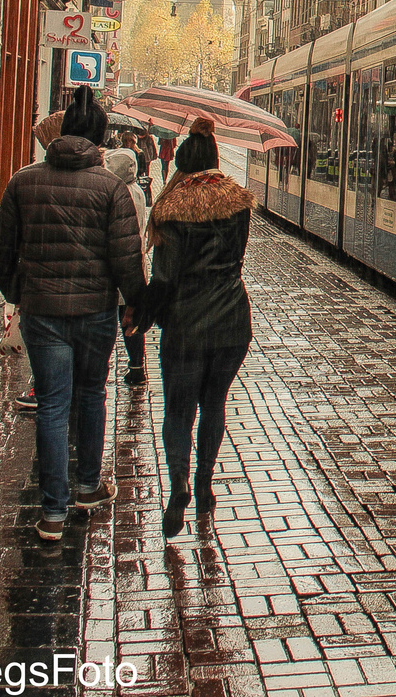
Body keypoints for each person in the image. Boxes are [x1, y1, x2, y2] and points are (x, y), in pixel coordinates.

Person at [0, 86, 146, 541]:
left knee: (53, 405)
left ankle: (52, 512)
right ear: (99, 140)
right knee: (91, 394)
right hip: (96, 313)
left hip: (42, 312)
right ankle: (87, 486)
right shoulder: (112, 188)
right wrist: (136, 305)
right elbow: (127, 261)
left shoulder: (23, 181)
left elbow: (2, 253)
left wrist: (20, 292)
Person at [132, 118, 254, 538]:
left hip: (186, 324)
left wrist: (142, 315)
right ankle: (205, 484)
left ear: (182, 162)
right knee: (214, 403)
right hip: (233, 321)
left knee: (179, 410)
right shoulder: (238, 202)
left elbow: (164, 280)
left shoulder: (171, 208)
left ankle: (179, 483)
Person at [104, 146, 151, 386]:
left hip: (121, 265)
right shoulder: (138, 191)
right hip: (135, 263)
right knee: (130, 319)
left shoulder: (118, 193)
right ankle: (136, 365)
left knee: (119, 317)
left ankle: (128, 366)